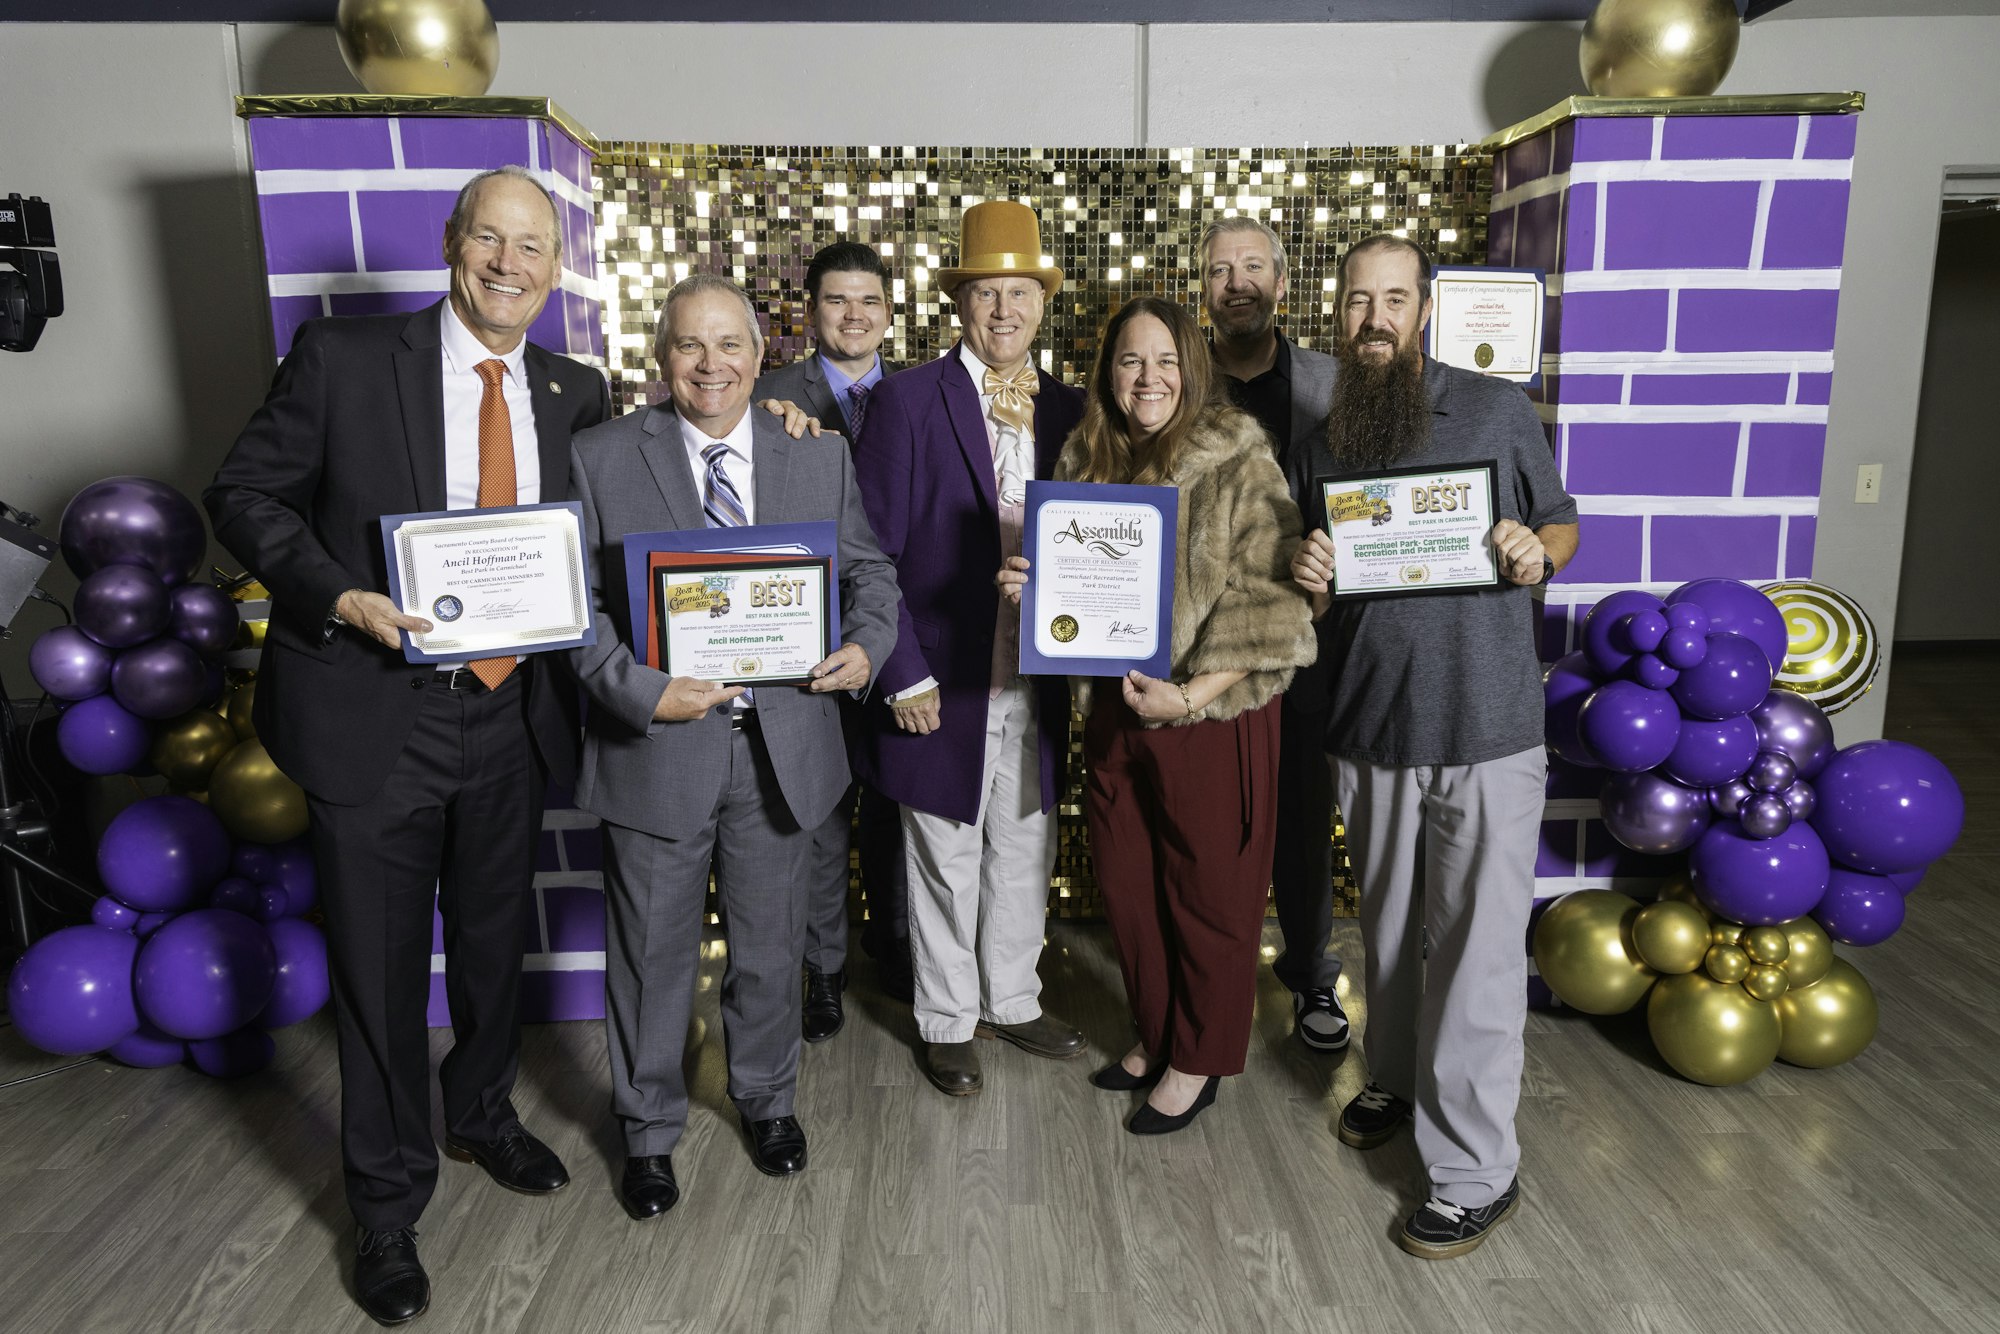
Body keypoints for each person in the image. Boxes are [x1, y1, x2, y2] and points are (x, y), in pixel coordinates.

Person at [205, 165, 611, 1325]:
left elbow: (652, 489)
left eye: (533, 249)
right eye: (491, 240)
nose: (510, 265)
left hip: (513, 711)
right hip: (375, 705)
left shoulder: (573, 389)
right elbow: (240, 493)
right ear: (451, 243)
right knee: (382, 976)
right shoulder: (341, 361)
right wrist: (338, 597)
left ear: (552, 270)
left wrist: (780, 407)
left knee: (493, 948)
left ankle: (479, 1112)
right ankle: (386, 1202)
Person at [567, 274, 900, 1221]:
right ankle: (647, 1130)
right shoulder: (599, 456)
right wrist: (639, 690)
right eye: (689, 347)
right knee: (650, 957)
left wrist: (864, 646)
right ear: (660, 357)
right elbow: (574, 608)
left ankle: (766, 1101)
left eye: (732, 347)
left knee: (770, 947)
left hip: (784, 748)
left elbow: (869, 570)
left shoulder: (815, 457)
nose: (711, 366)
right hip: (656, 748)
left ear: (763, 357)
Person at [1289, 234, 1579, 1260]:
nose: (1374, 317)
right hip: (1370, 723)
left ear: (1423, 311)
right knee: (1392, 930)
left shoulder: (1493, 409)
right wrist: (1305, 564)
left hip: (1486, 725)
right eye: (1357, 301)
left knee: (1476, 951)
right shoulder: (1326, 433)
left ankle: (1471, 1170)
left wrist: (1526, 550)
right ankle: (1397, 1079)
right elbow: (1307, 566)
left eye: (1393, 299)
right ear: (1338, 315)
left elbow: (1558, 523)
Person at [1000, 296, 1316, 1135]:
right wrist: (1033, 592)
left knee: (1208, 889)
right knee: (1130, 885)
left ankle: (1201, 1057)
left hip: (1210, 714)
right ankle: (1160, 1030)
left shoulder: (1240, 458)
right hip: (1114, 704)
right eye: (1132, 361)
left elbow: (1274, 599)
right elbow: (1071, 587)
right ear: (1109, 371)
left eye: (1167, 361)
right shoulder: (1085, 457)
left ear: (1193, 369)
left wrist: (1194, 695)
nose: (1149, 378)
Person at [850, 201, 1086, 1097]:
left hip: (1038, 672)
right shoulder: (906, 401)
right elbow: (868, 549)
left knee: (1026, 842)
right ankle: (948, 1018)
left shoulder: (1069, 408)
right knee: (944, 850)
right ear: (960, 303)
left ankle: (1014, 999)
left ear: (1041, 303)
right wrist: (899, 667)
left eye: (1019, 293)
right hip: (938, 673)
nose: (1003, 311)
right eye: (986, 293)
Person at [754, 241, 912, 1036]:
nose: (854, 316)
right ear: (809, 312)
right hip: (801, 644)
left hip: (897, 640)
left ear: (890, 311)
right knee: (816, 815)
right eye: (836, 301)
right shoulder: (762, 395)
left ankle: (895, 946)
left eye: (870, 301)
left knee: (895, 806)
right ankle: (822, 966)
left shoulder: (922, 395)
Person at [1200, 217, 1350, 1053]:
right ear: (1206, 290)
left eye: (1253, 266)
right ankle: (1209, 980)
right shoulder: (1176, 379)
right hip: (1211, 647)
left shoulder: (1333, 385)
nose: (1238, 282)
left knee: (1301, 815)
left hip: (1314, 643)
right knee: (1217, 821)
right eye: (1221, 270)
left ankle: (1310, 975)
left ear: (1283, 283)